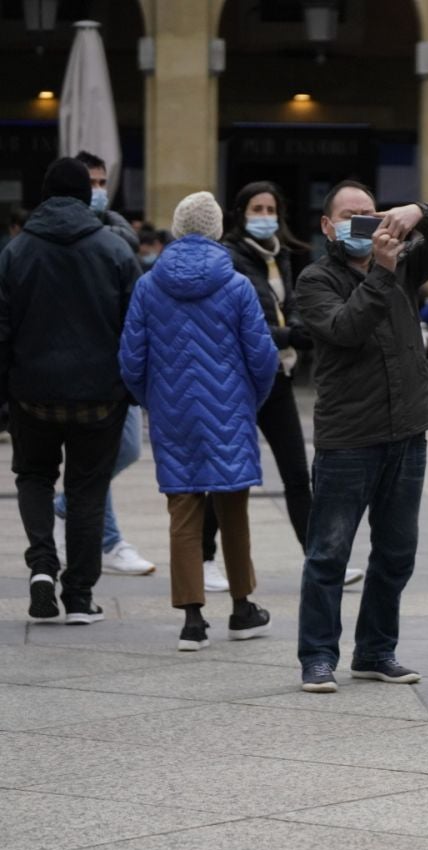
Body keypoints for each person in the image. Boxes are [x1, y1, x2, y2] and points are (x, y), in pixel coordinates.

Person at [293, 180, 428, 692]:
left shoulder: (405, 263)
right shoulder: (314, 280)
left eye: (369, 214)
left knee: (395, 552)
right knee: (329, 552)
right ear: (327, 226)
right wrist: (383, 273)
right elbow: (346, 329)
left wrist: (419, 210)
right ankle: (318, 656)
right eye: (349, 216)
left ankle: (374, 651)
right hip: (349, 437)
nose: (361, 224)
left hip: (407, 431)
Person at [119, 192, 277, 651]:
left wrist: (152, 400)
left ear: (176, 229)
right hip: (229, 409)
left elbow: (131, 359)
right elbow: (262, 357)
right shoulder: (237, 284)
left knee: (183, 510)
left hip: (173, 412)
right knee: (233, 508)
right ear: (217, 230)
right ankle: (243, 606)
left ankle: (192, 620)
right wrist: (249, 400)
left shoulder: (150, 284)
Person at [199, 181, 364, 595]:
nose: (264, 215)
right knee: (228, 472)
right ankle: (203, 557)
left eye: (270, 208)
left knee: (295, 471)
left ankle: (320, 559)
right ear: (240, 213)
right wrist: (289, 335)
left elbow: (289, 303)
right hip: (236, 380)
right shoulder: (229, 257)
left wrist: (295, 327)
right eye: (256, 208)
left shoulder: (280, 256)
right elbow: (237, 319)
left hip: (276, 376)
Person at [1, 157, 139, 625]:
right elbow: (134, 328)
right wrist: (132, 388)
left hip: (31, 393)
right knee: (87, 490)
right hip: (100, 396)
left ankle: (42, 566)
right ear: (86, 195)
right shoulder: (115, 250)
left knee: (34, 477)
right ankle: (79, 595)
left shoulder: (16, 252)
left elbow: (1, 330)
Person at [50, 152, 156, 577]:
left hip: (118, 365)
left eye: (101, 182)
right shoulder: (57, 237)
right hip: (79, 367)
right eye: (89, 182)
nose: (96, 190)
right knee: (95, 456)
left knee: (123, 450)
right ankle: (108, 541)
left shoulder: (118, 234)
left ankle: (68, 504)